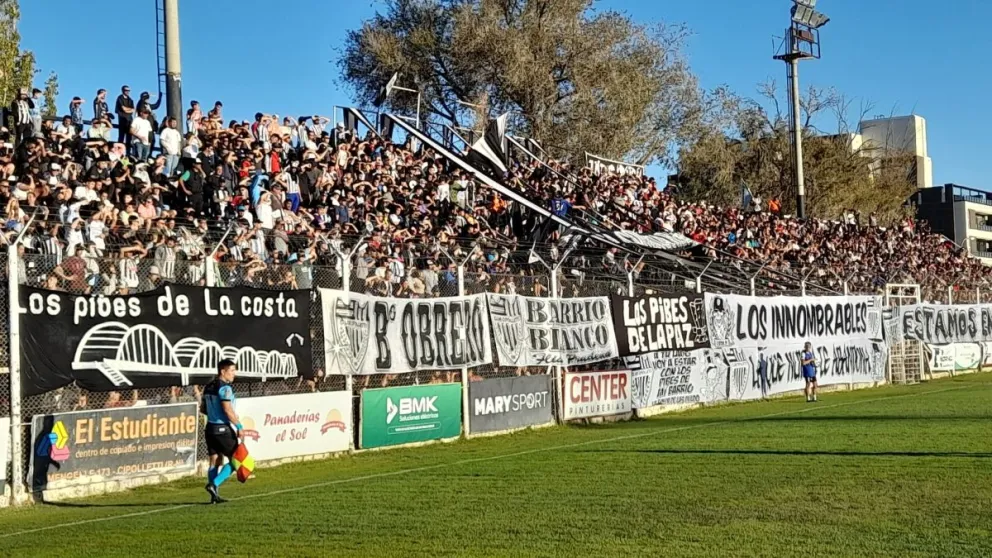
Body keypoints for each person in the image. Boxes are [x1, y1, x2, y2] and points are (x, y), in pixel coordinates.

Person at [202, 358, 242, 504]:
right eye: (231, 371)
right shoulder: (225, 388)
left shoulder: (208, 387)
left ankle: (214, 496)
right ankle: (214, 484)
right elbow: (227, 410)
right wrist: (239, 426)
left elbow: (203, 409)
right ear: (222, 371)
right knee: (236, 461)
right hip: (222, 429)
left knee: (215, 460)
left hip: (210, 428)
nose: (234, 374)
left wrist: (214, 414)